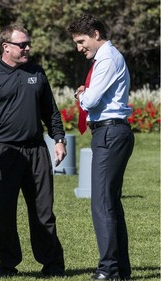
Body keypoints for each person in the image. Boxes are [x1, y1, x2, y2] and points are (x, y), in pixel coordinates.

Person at [0, 24, 66, 277]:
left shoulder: (37, 72)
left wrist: (58, 139)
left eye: (27, 43)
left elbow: (51, 111)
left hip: (37, 152)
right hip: (4, 153)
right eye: (22, 44)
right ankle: (7, 264)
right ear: (6, 47)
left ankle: (52, 263)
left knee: (43, 211)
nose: (27, 48)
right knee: (4, 213)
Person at [68, 14, 134, 281]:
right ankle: (120, 268)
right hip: (111, 132)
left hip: (109, 132)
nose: (79, 47)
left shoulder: (106, 58)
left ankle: (108, 269)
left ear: (96, 34)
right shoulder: (107, 57)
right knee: (111, 203)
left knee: (102, 203)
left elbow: (91, 101)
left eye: (81, 41)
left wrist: (81, 94)